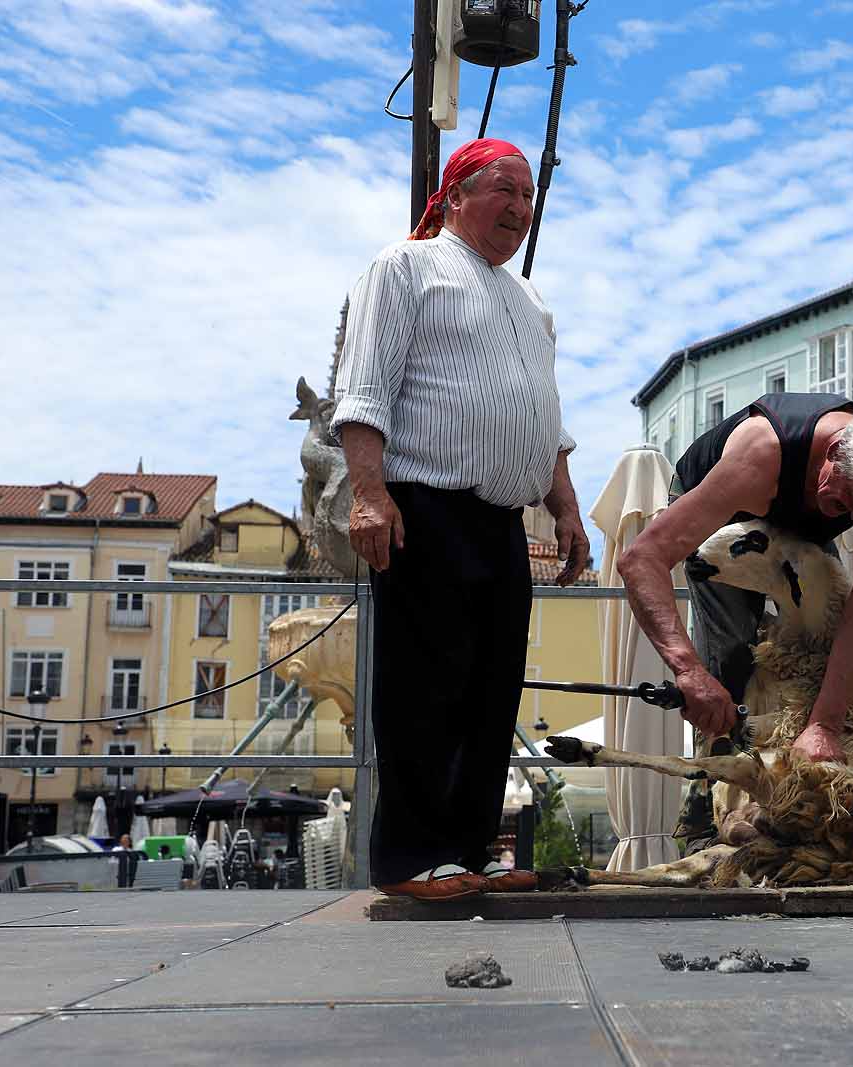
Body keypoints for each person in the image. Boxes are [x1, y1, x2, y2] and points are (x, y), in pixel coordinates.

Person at [331, 137, 589, 902]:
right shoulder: (403, 268)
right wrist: (369, 493)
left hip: (502, 520)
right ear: (452, 197)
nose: (518, 208)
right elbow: (365, 389)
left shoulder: (531, 299)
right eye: (503, 189)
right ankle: (411, 860)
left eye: (528, 196)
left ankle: (469, 851)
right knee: (424, 687)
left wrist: (566, 508)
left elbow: (547, 420)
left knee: (490, 690)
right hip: (424, 506)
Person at [617, 394, 853, 847]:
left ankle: (818, 816)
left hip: (796, 526)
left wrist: (823, 725)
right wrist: (688, 671)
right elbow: (641, 559)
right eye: (843, 499)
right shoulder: (760, 454)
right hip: (723, 508)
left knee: (823, 659)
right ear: (836, 449)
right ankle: (704, 821)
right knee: (729, 657)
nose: (846, 514)